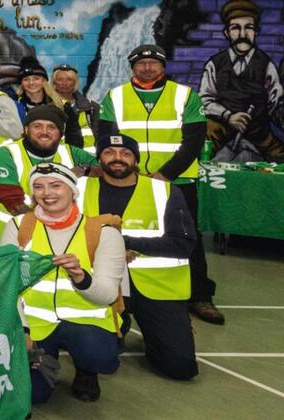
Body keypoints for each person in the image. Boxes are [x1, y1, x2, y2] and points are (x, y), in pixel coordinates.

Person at [100, 45, 224, 325]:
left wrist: (164, 174)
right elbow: (105, 138)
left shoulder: (184, 95)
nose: (147, 67)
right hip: (127, 180)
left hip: (176, 182)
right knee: (120, 233)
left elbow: (193, 140)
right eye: (141, 63)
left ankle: (200, 295)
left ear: (163, 67)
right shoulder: (115, 96)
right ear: (132, 67)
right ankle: (122, 294)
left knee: (187, 237)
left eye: (153, 63)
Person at [0, 162, 126, 404]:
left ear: (72, 191)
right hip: (35, 323)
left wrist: (81, 277)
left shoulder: (103, 232)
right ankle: (42, 364)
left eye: (56, 186)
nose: (47, 193)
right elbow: (7, 287)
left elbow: (108, 295)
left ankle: (86, 370)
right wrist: (23, 330)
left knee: (98, 356)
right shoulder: (18, 227)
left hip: (85, 322)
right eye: (38, 187)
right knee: (35, 396)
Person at [80, 134, 199, 381]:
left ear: (135, 159)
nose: (117, 159)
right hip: (99, 285)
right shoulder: (79, 189)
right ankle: (115, 325)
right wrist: (111, 251)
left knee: (179, 368)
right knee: (98, 356)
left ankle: (169, 328)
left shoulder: (165, 191)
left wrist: (128, 244)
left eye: (125, 153)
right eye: (109, 153)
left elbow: (184, 243)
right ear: (99, 157)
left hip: (155, 287)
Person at [0, 104, 98, 240]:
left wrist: (85, 170)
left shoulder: (71, 152)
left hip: (60, 240)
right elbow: (13, 204)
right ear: (26, 129)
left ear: (61, 133)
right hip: (12, 239)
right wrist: (54, 230)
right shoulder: (6, 154)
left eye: (51, 127)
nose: (44, 132)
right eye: (37, 126)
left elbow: (109, 170)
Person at [201, 0, 284, 162]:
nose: (242, 34)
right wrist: (228, 116)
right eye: (235, 28)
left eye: (248, 28)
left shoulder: (266, 65)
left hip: (258, 133)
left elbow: (276, 103)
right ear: (227, 33)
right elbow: (205, 100)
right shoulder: (215, 64)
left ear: (256, 32)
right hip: (221, 130)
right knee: (201, 156)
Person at [52, 64, 99, 150]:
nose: (64, 83)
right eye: (60, 79)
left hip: (88, 157)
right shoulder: (48, 107)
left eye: (69, 79)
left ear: (75, 82)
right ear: (54, 82)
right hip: (60, 156)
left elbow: (99, 135)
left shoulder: (91, 107)